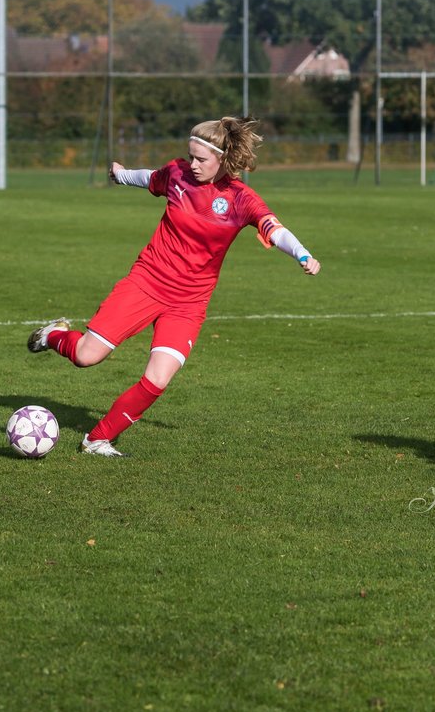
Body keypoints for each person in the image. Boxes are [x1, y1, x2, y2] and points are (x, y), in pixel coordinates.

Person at [27, 116, 321, 457]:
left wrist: (302, 254)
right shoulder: (178, 173)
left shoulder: (241, 199)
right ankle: (53, 336)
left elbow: (274, 228)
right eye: (190, 156)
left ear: (223, 159)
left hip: (189, 302)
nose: (192, 164)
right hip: (147, 282)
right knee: (86, 356)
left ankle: (96, 440)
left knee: (158, 378)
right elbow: (150, 178)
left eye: (201, 159)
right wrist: (120, 175)